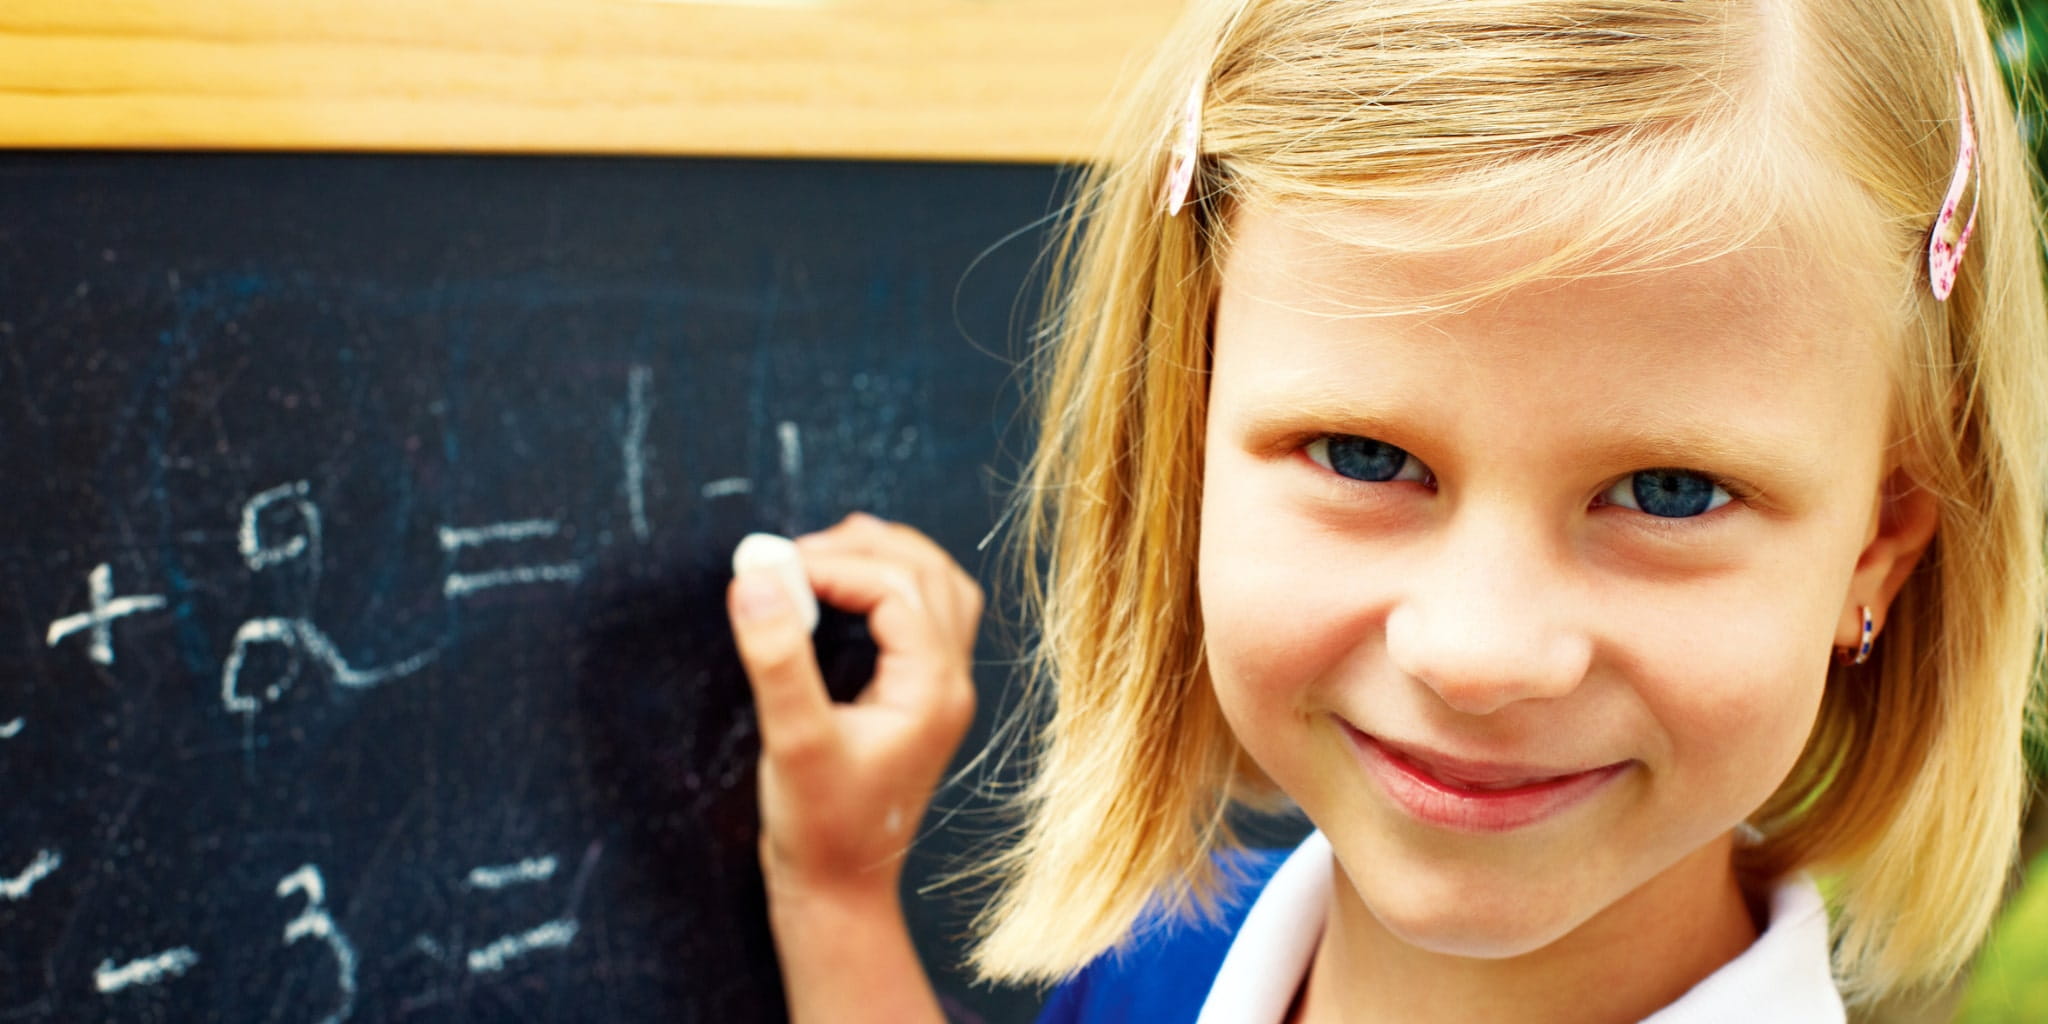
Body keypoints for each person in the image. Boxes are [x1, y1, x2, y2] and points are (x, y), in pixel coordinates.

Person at [724, 0, 2048, 1020]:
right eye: (1363, 457)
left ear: (1877, 549)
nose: (1479, 654)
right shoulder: (1160, 962)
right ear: (1184, 440)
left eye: (1670, 492)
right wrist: (836, 890)